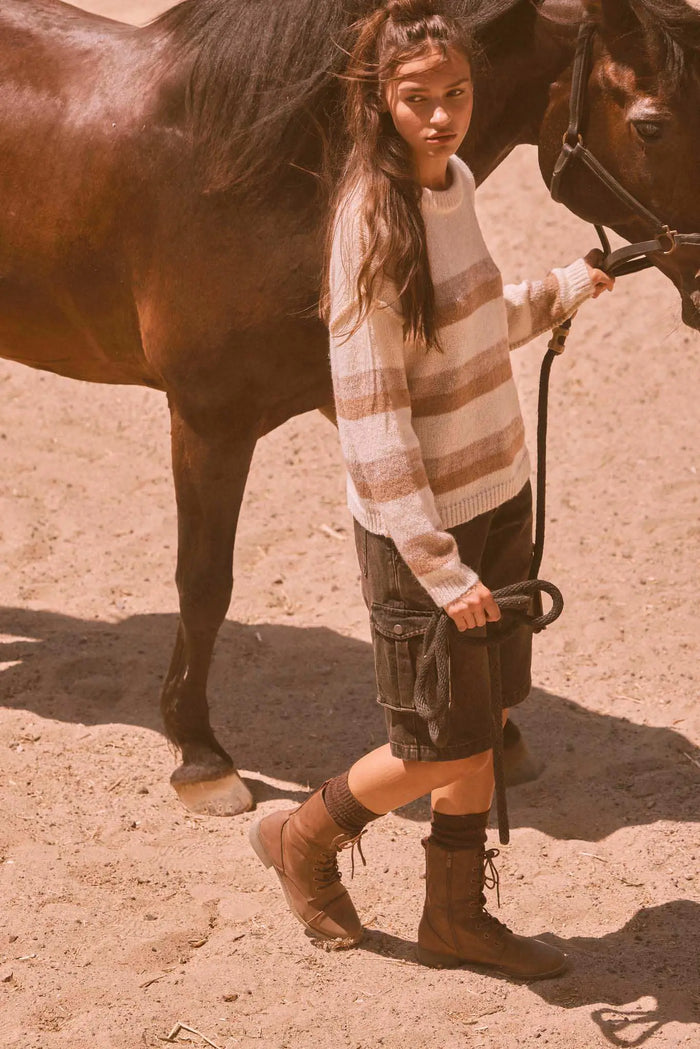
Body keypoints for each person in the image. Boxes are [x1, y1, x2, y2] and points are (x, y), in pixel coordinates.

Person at [249, 0, 614, 979]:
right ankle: (303, 834)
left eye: (456, 93)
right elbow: (371, 419)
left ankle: (453, 917)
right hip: (426, 533)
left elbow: (468, 323)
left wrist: (562, 288)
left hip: (496, 496)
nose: (443, 115)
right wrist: (438, 565)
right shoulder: (370, 224)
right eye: (419, 99)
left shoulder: (453, 183)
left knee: (479, 724)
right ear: (380, 100)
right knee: (437, 745)